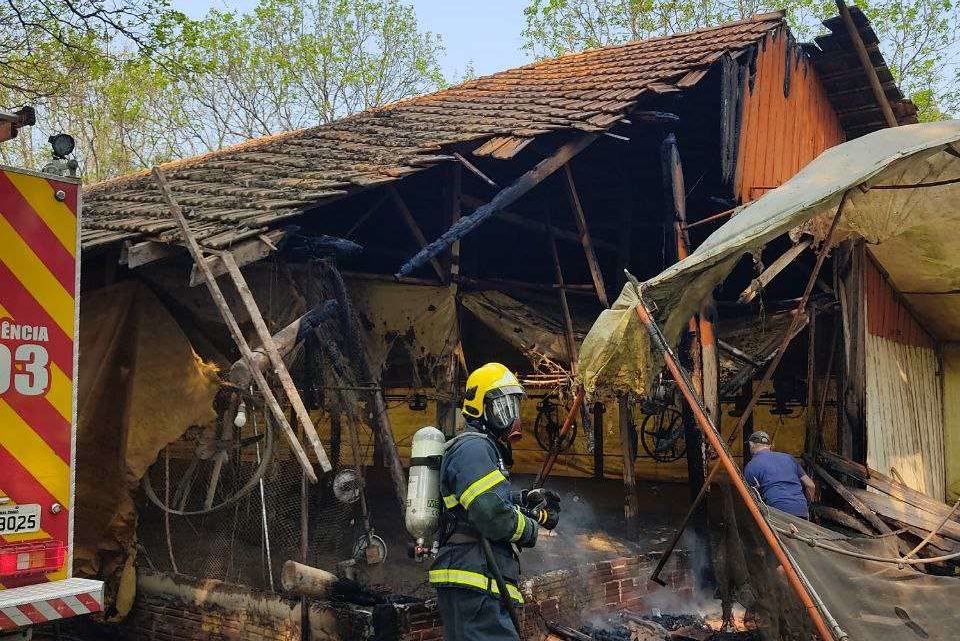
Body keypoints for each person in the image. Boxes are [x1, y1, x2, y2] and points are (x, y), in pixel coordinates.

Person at [430, 363, 561, 641]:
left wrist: (525, 500)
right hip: (475, 577)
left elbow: (486, 502)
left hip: (477, 576)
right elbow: (491, 514)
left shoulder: (481, 449)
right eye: (502, 406)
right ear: (479, 407)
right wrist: (531, 529)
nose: (510, 415)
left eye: (513, 406)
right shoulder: (475, 447)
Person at [743, 430, 816, 519]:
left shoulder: (751, 466)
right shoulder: (789, 458)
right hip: (801, 509)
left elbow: (751, 498)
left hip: (776, 510)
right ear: (769, 446)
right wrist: (806, 506)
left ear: (751, 445)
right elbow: (811, 485)